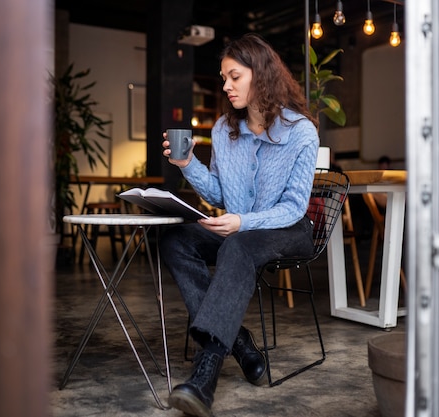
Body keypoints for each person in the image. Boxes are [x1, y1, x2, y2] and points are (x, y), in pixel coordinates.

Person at [160, 33, 320, 417]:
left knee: (238, 244)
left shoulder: (301, 132)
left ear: (260, 74)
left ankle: (205, 375)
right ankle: (241, 344)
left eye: (234, 76)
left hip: (289, 229)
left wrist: (243, 222)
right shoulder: (222, 130)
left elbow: (295, 207)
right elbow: (218, 195)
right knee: (176, 237)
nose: (226, 86)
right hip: (240, 230)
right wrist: (187, 166)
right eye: (224, 78)